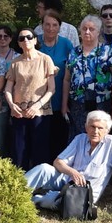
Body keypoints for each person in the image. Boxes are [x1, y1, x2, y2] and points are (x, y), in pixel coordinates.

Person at [25, 110, 112, 211]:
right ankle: (13, 192)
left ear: (107, 130)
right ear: (86, 127)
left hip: (83, 193)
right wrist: (72, 172)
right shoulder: (80, 138)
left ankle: (35, 198)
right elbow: (58, 162)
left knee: (58, 202)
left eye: (100, 128)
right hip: (67, 180)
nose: (95, 131)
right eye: (92, 126)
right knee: (43, 168)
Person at [4, 28, 57, 169]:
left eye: (29, 37)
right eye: (21, 38)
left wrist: (37, 105)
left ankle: (42, 188)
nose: (25, 40)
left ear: (35, 40)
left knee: (40, 152)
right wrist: (11, 105)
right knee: (19, 153)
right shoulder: (15, 63)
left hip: (40, 113)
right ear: (19, 43)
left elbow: (51, 88)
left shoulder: (45, 59)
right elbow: (8, 88)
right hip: (19, 113)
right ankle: (20, 186)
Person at [62, 15, 112, 138]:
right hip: (78, 104)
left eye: (91, 29)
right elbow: (66, 80)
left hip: (102, 103)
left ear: (98, 31)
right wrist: (64, 104)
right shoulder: (73, 53)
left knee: (99, 136)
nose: (87, 32)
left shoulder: (107, 52)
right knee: (79, 137)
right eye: (84, 28)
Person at [38, 9, 74, 160]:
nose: (50, 28)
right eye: (47, 24)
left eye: (54, 25)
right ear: (42, 25)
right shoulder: (35, 42)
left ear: (60, 27)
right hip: (38, 100)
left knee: (59, 137)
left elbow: (73, 70)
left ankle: (57, 171)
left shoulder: (66, 44)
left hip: (60, 97)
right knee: (41, 138)